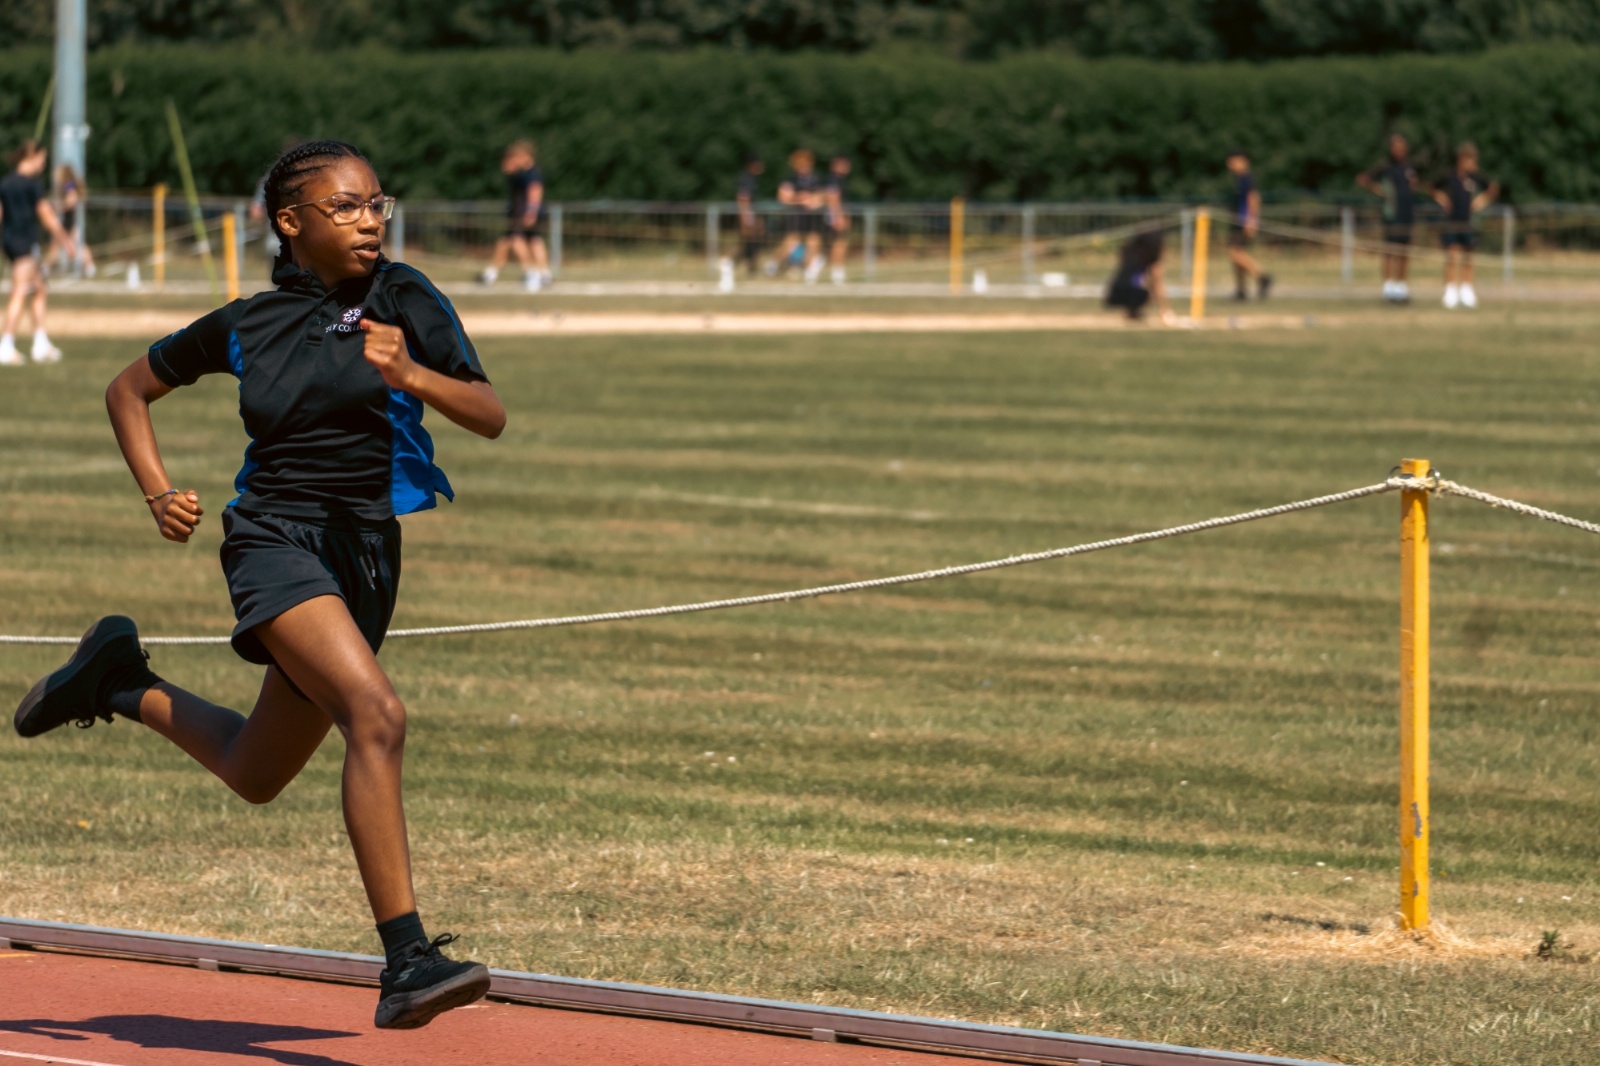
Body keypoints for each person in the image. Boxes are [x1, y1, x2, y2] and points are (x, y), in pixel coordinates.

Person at [13, 140, 507, 1030]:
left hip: (367, 555)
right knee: (378, 717)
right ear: (291, 222)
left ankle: (117, 682)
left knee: (256, 770)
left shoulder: (405, 297)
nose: (368, 220)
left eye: (375, 204)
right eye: (345, 207)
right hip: (273, 540)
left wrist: (412, 373)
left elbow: (490, 415)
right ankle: (407, 960)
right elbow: (128, 390)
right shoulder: (246, 324)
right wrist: (159, 492)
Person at [0, 140, 75, 365]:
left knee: (40, 288)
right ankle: (6, 345)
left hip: (11, 242)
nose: (43, 163)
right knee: (20, 291)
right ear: (32, 156)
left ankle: (40, 344)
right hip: (24, 243)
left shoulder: (5, 182)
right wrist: (65, 240)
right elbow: (46, 215)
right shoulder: (32, 184)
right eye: (42, 158)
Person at [1433, 141, 1498, 310]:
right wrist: (1441, 197)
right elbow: (1432, 187)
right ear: (1462, 159)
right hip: (1452, 221)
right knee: (1452, 256)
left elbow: (1492, 188)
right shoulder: (1450, 176)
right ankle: (1451, 290)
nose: (1474, 164)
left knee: (1468, 256)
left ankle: (1467, 290)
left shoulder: (1476, 177)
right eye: (1471, 159)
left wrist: (1481, 201)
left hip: (1469, 222)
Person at [1356, 133, 1419, 304]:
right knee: (1389, 251)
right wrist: (1379, 191)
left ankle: (1402, 288)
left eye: (1402, 147)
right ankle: (1388, 288)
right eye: (1396, 147)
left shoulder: (1409, 168)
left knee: (1404, 252)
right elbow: (1364, 179)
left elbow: (1415, 185)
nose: (1399, 151)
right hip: (1392, 216)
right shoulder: (1385, 167)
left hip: (1407, 215)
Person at [482, 140, 550, 292]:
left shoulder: (531, 174)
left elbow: (535, 192)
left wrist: (531, 212)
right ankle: (543, 274)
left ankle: (532, 272)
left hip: (526, 212)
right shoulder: (523, 173)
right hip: (524, 211)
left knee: (516, 239)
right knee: (533, 240)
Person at [1224, 149, 1271, 301]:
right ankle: (1241, 290)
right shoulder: (1239, 179)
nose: (1231, 164)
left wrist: (1251, 220)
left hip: (1243, 222)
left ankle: (1262, 276)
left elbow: (1253, 198)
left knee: (1235, 253)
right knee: (1235, 256)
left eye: (1234, 160)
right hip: (1236, 221)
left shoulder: (1246, 178)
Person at [776, 149, 826, 283]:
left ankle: (810, 270)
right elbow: (783, 198)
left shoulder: (815, 179)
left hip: (811, 215)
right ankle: (775, 266)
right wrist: (799, 199)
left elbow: (822, 196)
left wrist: (814, 201)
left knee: (813, 240)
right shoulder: (790, 180)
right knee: (792, 240)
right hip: (796, 214)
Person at [1105, 228, 1174, 324]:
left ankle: (1133, 311)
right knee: (1148, 289)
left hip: (1116, 293)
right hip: (1123, 293)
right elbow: (1156, 283)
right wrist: (1164, 309)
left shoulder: (1129, 254)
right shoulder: (1138, 260)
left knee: (1144, 287)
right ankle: (1133, 310)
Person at [51, 163, 96, 278]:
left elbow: (72, 200)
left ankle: (89, 265)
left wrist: (60, 207)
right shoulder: (69, 184)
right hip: (70, 219)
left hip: (69, 220)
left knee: (70, 244)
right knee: (66, 243)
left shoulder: (68, 184)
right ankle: (88, 266)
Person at [736, 154, 766, 278]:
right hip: (748, 215)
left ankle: (749, 267)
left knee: (751, 243)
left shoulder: (751, 178)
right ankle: (737, 264)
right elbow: (743, 199)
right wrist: (747, 218)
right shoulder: (747, 179)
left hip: (750, 215)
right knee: (750, 243)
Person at [825, 154, 851, 285]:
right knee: (839, 242)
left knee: (838, 242)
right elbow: (833, 198)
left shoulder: (836, 179)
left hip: (835, 213)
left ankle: (836, 271)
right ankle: (837, 272)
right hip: (835, 214)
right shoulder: (834, 180)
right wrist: (838, 216)